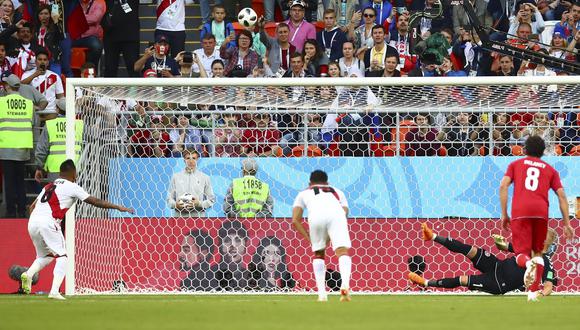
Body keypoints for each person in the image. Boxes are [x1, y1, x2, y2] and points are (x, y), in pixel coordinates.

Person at [20, 159, 134, 300]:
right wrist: (118, 207)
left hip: (33, 222)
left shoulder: (48, 186)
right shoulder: (72, 186)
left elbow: (32, 207)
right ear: (74, 173)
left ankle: (28, 275)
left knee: (46, 256)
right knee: (63, 256)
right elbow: (95, 201)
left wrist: (38, 222)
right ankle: (54, 291)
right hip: (48, 222)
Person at [499, 135, 574, 301]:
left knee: (521, 254)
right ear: (543, 152)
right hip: (541, 212)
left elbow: (503, 185)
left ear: (524, 150)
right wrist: (567, 223)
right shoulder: (550, 170)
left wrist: (504, 214)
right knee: (538, 252)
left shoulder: (515, 164)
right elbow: (561, 195)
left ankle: (528, 264)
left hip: (521, 210)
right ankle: (532, 293)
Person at [408, 223, 559, 296]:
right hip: (496, 266)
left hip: (498, 283)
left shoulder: (545, 261)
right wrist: (498, 240)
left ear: (546, 243)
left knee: (463, 280)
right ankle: (433, 236)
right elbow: (503, 247)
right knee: (471, 250)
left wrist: (540, 294)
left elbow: (548, 286)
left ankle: (425, 282)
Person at [292, 170, 352, 302]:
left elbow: (295, 220)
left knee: (319, 254)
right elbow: (345, 212)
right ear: (327, 182)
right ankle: (345, 286)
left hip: (316, 217)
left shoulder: (304, 193)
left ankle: (322, 294)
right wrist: (332, 233)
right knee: (342, 251)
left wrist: (310, 240)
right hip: (337, 215)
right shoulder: (338, 191)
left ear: (310, 183)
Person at [0, 75, 34, 218]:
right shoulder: (28, 103)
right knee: (20, 181)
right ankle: (21, 210)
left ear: (7, 86)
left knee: (9, 181)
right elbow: (31, 123)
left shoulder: (1, 102)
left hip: (6, 146)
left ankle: (10, 211)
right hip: (23, 147)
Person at [34, 99, 83, 183]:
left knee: (56, 195)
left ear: (57, 109)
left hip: (55, 169)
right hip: (75, 168)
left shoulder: (50, 124)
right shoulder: (80, 124)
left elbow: (42, 149)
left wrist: (39, 167)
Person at [167, 149, 215, 217]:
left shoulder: (204, 177)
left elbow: (211, 200)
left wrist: (198, 204)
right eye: (188, 158)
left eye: (194, 158)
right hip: (179, 218)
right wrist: (176, 205)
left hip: (198, 218)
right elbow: (169, 199)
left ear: (197, 160)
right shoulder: (176, 177)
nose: (191, 161)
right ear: (184, 160)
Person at [103, 0, 140, 77]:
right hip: (111, 35)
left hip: (130, 36)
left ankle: (134, 89)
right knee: (110, 69)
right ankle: (109, 89)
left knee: (133, 68)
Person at [21, 49, 64, 115]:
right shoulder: (27, 74)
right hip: (33, 112)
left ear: (48, 62)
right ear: (35, 62)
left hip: (50, 112)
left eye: (45, 60)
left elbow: (60, 97)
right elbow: (20, 87)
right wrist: (34, 75)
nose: (42, 62)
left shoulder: (55, 76)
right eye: (40, 59)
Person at [216, 219, 251, 291]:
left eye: (238, 240)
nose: (233, 245)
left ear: (246, 245)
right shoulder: (207, 275)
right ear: (219, 245)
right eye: (227, 240)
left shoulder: (250, 276)